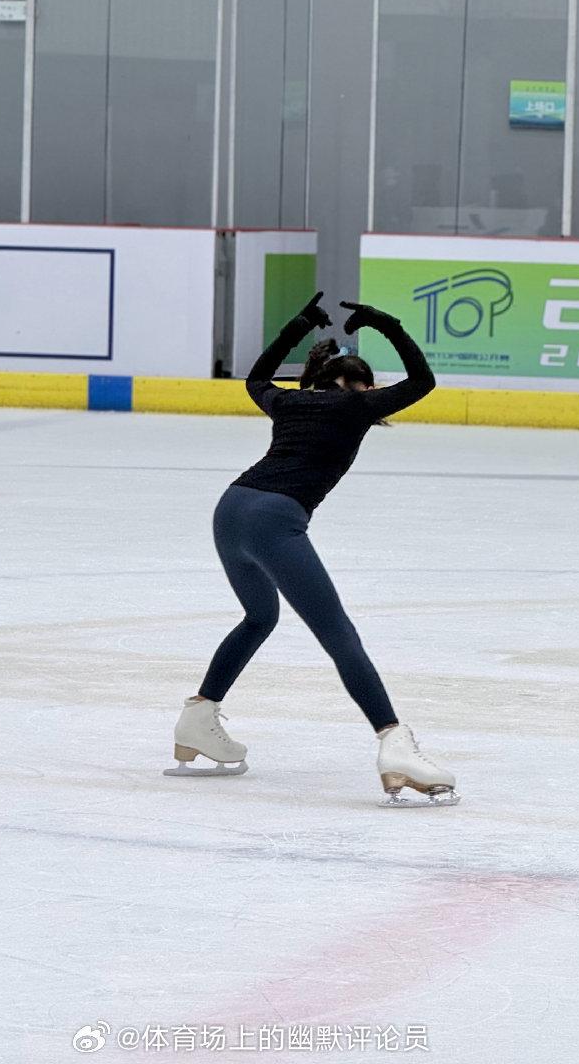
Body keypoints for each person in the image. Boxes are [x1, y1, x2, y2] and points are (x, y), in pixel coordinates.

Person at [166, 293, 458, 805]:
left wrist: (296, 327)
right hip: (274, 521)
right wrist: (385, 322)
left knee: (259, 617)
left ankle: (198, 717)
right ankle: (394, 744)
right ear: (361, 385)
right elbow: (423, 382)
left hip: (231, 509)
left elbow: (255, 379)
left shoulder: (289, 400)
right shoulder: (359, 406)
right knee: (338, 633)